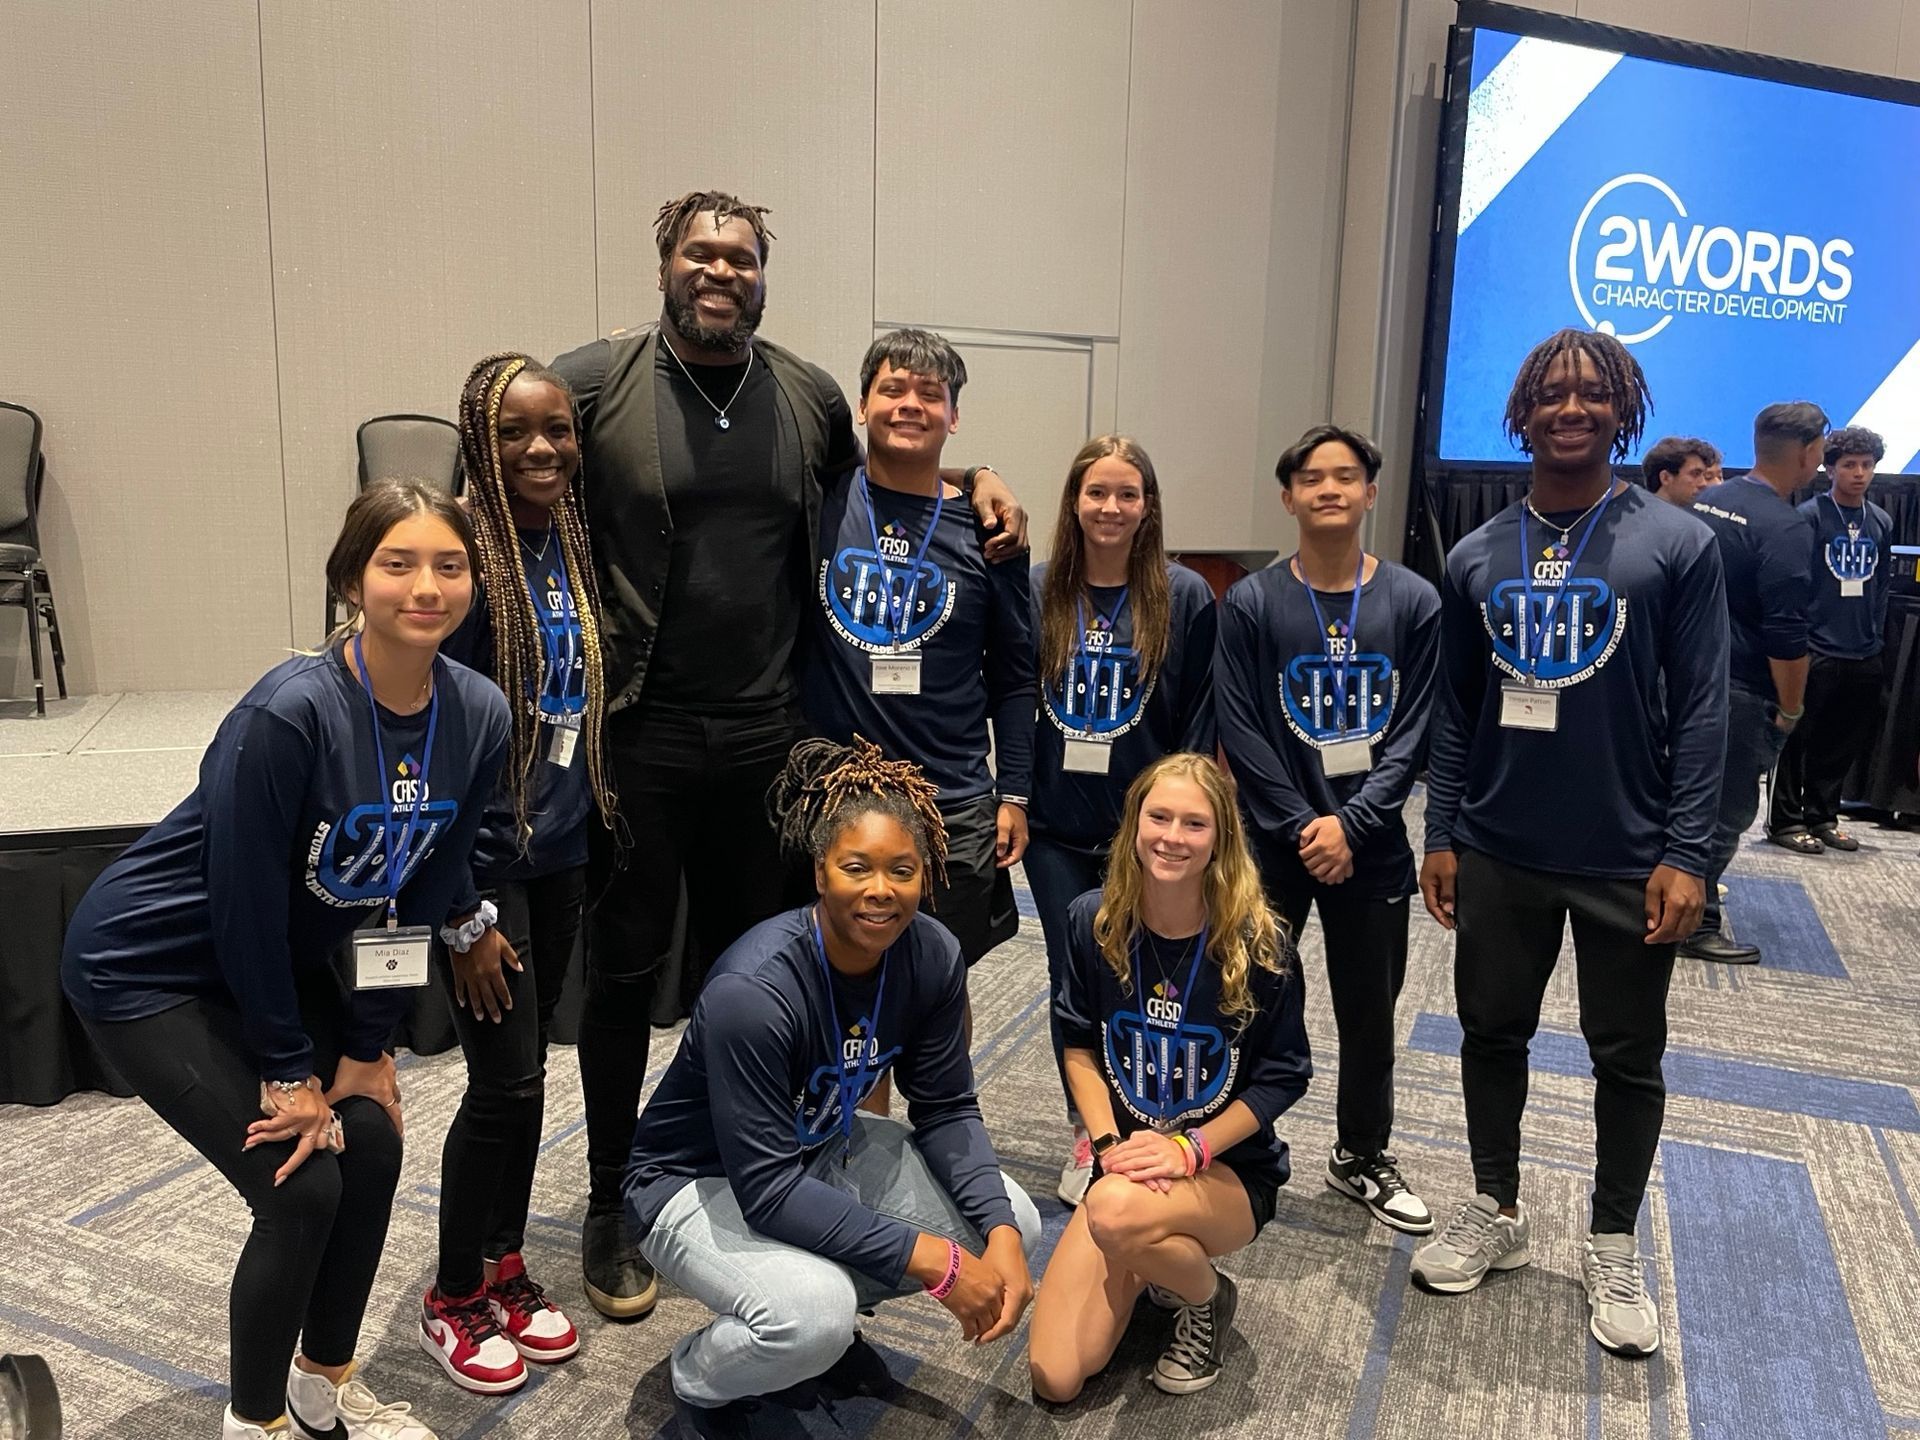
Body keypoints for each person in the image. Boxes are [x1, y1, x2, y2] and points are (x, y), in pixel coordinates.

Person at [550, 191, 1027, 1316]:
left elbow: (898, 466)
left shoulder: (807, 396)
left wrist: (979, 473)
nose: (719, 270)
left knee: (755, 971)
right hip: (644, 735)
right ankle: (614, 1199)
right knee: (621, 976)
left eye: (740, 256)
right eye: (698, 253)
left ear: (763, 275)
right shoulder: (593, 382)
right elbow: (514, 462)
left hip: (771, 741)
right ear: (664, 264)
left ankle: (751, 1174)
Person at [61, 480, 512, 1440]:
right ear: (353, 578)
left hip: (293, 959)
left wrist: (366, 1044)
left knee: (376, 1143)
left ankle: (323, 1387)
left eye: (450, 564)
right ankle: (255, 1423)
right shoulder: (288, 712)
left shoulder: (478, 714)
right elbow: (245, 906)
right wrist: (284, 1069)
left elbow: (425, 893)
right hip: (151, 964)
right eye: (399, 563)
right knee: (300, 1185)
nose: (427, 585)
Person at [1414, 329, 1728, 1359]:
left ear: (1623, 409)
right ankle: (1496, 1209)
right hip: (1500, 847)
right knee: (1491, 1034)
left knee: (1626, 1058)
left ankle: (1610, 1237)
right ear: (1523, 411)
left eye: (1593, 393)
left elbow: (1705, 716)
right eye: (1551, 392)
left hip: (1627, 856)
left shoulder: (1675, 543)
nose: (1571, 407)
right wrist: (1444, 830)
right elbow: (1455, 711)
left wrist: (1690, 854)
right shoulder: (1476, 554)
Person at [624, 738, 1040, 1438]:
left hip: (818, 1146)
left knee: (1017, 1223)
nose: (880, 890)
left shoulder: (932, 954)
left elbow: (945, 1108)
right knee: (811, 1314)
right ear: (821, 874)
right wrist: (935, 1265)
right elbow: (767, 1191)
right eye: (857, 868)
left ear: (924, 874)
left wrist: (994, 1233)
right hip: (696, 1180)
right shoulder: (752, 992)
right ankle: (699, 1376)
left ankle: (831, 1333)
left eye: (901, 871)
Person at [417, 354, 619, 1391]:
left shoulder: (564, 540)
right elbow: (423, 746)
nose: (542, 450)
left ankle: (502, 1263)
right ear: (477, 438)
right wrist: (460, 915)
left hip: (561, 848)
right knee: (501, 1089)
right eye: (515, 433)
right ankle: (451, 1293)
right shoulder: (455, 553)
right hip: (484, 871)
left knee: (531, 1080)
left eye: (558, 431)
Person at [1027, 753, 1310, 1402]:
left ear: (1220, 842)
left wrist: (1190, 1149)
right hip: (1123, 1170)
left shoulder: (1258, 943)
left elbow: (1284, 1078)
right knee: (1057, 1376)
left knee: (1113, 1211)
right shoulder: (1092, 921)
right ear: (1134, 824)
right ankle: (1158, 1257)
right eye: (1158, 817)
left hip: (1227, 1170)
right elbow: (1077, 1045)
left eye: (1194, 824)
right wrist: (1104, 1149)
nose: (1172, 837)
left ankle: (1204, 1297)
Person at [1217, 423, 1440, 1235]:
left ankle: (1361, 1154)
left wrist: (1353, 825)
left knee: (1368, 1011)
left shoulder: (1413, 600)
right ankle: (1238, 1147)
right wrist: (1306, 823)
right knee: (1249, 999)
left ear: (1371, 493)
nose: (1331, 490)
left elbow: (1415, 731)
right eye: (1313, 479)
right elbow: (1239, 728)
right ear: (1290, 498)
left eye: (1347, 477)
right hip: (1272, 847)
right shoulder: (1252, 601)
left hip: (1372, 846)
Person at [801, 328, 1035, 1003]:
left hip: (952, 798)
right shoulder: (820, 504)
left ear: (953, 417)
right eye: (893, 389)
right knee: (842, 985)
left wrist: (1013, 791)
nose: (910, 404)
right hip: (837, 791)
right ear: (863, 407)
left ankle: (940, 1112)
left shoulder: (990, 534)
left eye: (930, 395)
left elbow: (1017, 674)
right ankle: (861, 1114)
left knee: (938, 985)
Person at [1027, 435, 1216, 1206]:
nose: (1110, 507)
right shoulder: (1039, 589)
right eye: (1096, 492)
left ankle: (1154, 1129)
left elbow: (1201, 720)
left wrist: (1185, 826)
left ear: (1148, 506)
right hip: (1053, 831)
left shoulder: (1184, 595)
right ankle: (1090, 1132)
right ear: (1074, 501)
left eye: (1126, 494)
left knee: (1144, 983)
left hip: (1149, 840)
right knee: (1073, 982)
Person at [1682, 402, 1824, 959]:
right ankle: (1693, 922)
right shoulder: (1787, 526)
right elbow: (1787, 634)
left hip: (1686, 679)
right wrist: (1791, 709)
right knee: (1726, 813)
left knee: (1684, 798)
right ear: (1809, 453)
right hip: (1741, 692)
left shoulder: (1708, 502)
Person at [1768, 425, 1894, 853]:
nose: (1859, 473)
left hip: (1862, 650)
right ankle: (1785, 821)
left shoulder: (1880, 521)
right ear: (1830, 468)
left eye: (1867, 465)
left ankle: (1822, 815)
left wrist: (1874, 638)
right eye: (1849, 465)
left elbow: (1880, 588)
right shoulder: (1809, 518)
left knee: (1841, 742)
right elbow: (1795, 586)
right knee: (1797, 741)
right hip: (1816, 649)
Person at [1638, 436, 1719, 508]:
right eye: (1695, 474)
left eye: (1705, 476)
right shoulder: (1635, 521)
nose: (1703, 484)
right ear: (1665, 478)